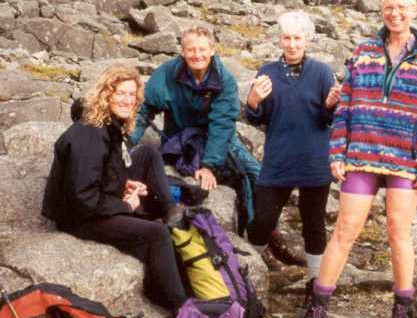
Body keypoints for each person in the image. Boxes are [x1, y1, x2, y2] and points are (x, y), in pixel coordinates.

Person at [302, 0, 417, 318]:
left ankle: (402, 310)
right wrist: (337, 153)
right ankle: (318, 305)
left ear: (415, 10)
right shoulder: (364, 52)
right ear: (381, 11)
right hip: (361, 157)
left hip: (405, 162)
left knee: (399, 232)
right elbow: (345, 107)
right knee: (345, 230)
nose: (395, 14)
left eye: (402, 8)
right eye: (388, 8)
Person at [130, 26, 304, 265]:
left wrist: (209, 164)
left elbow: (222, 125)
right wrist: (125, 142)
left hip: (218, 136)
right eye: (190, 49)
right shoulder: (166, 74)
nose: (196, 55)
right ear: (182, 51)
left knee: (258, 177)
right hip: (180, 140)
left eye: (202, 49)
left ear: (212, 50)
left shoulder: (224, 80)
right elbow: (143, 111)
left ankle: (268, 235)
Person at [42, 64, 187, 311]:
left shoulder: (108, 125)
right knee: (157, 233)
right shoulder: (91, 134)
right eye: (120, 93)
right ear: (106, 94)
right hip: (80, 218)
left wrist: (123, 183)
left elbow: (101, 171)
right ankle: (182, 310)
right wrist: (124, 205)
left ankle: (162, 290)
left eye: (132, 95)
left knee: (155, 239)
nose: (127, 100)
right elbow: (83, 197)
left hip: (90, 206)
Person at [245, 10, 341, 279]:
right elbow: (258, 117)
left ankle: (315, 285)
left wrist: (330, 105)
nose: (292, 44)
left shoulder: (322, 73)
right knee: (262, 220)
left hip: (314, 162)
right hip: (279, 160)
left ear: (307, 40)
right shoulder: (267, 72)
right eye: (287, 38)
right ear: (280, 39)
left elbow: (327, 118)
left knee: (314, 225)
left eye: (298, 38)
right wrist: (253, 100)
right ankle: (248, 275)